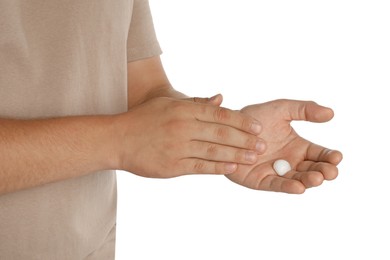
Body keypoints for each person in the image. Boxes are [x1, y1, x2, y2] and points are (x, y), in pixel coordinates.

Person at [0, 0, 343, 259]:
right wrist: (121, 140)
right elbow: (127, 133)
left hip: (91, 246)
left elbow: (143, 88)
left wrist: (235, 136)